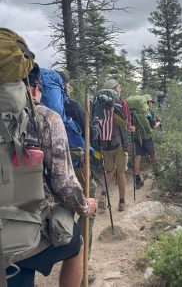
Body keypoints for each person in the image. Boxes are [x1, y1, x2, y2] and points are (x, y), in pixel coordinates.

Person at [6, 63, 97, 287]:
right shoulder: (46, 118)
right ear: (36, 87)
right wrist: (85, 206)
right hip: (24, 229)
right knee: (75, 244)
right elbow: (63, 183)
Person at [59, 71, 98, 283]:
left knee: (62, 212)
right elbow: (86, 132)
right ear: (65, 86)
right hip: (77, 167)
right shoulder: (72, 105)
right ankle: (82, 265)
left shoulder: (36, 107)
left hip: (52, 171)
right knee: (88, 210)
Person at [97, 79, 129, 212]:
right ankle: (121, 202)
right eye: (119, 87)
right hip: (119, 142)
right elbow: (126, 122)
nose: (120, 89)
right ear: (114, 89)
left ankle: (103, 196)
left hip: (105, 144)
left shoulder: (98, 104)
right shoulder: (121, 102)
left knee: (109, 171)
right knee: (121, 172)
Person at [133, 94, 160, 188]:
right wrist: (158, 122)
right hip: (147, 137)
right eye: (151, 102)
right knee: (152, 154)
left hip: (137, 137)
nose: (152, 104)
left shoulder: (134, 112)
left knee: (138, 157)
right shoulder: (149, 111)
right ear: (148, 102)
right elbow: (154, 126)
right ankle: (157, 175)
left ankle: (137, 179)